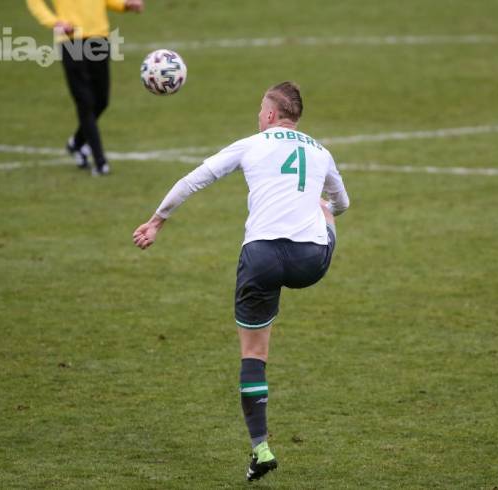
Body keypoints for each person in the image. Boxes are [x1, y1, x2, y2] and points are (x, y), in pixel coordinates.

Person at [132, 82, 350, 481]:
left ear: (270, 114)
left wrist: (157, 221)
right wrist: (323, 206)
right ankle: (260, 451)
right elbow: (344, 203)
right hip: (309, 262)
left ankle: (261, 448)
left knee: (253, 355)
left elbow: (195, 179)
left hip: (261, 258)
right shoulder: (321, 151)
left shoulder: (251, 144)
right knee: (326, 212)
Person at [26, 0, 144, 176]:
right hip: (71, 39)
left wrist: (124, 4)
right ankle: (100, 163)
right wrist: (54, 22)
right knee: (85, 101)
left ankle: (76, 143)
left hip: (99, 38)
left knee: (102, 101)